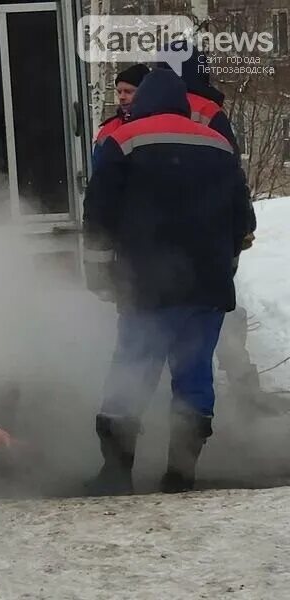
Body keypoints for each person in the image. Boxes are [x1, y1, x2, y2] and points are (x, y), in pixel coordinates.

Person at [82, 69, 254, 495]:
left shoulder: (123, 140)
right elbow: (244, 224)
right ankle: (181, 473)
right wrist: (222, 263)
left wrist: (99, 273)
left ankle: (117, 473)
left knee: (133, 370)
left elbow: (99, 213)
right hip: (207, 289)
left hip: (147, 285)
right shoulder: (217, 144)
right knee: (194, 374)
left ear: (142, 103)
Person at [159, 49, 268, 416]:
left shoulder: (152, 110)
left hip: (161, 232)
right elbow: (231, 172)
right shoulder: (212, 112)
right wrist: (241, 222)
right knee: (217, 307)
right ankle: (240, 386)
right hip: (212, 230)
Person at [91, 64, 150, 169]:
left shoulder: (157, 124)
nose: (122, 97)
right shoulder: (108, 129)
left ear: (144, 93)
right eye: (119, 92)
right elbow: (98, 170)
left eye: (128, 92)